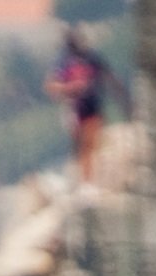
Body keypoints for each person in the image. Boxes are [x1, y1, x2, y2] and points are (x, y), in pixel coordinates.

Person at [49, 27, 108, 186]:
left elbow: (108, 77)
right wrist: (72, 87)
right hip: (73, 108)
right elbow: (52, 86)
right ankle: (83, 180)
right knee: (81, 146)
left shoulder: (92, 58)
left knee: (92, 144)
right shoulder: (63, 61)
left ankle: (89, 180)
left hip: (92, 105)